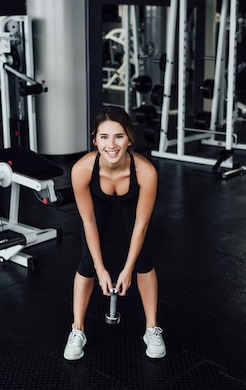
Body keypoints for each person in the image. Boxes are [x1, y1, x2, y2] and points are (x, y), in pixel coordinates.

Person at [63, 106, 165, 361]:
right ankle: (77, 329)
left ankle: (151, 328)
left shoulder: (146, 172)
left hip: (131, 192)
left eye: (119, 136)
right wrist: (101, 268)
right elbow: (88, 221)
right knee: (87, 260)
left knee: (143, 259)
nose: (112, 144)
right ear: (95, 140)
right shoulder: (81, 170)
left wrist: (127, 269)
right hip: (99, 195)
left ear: (129, 138)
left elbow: (141, 225)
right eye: (104, 137)